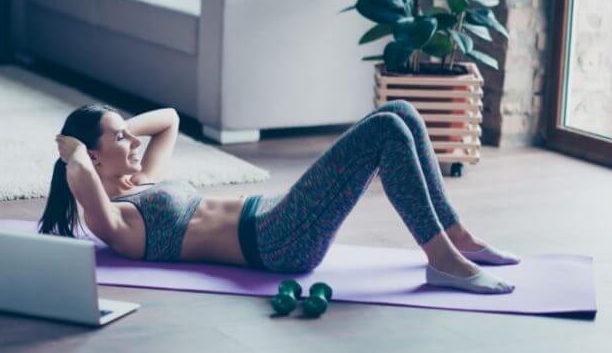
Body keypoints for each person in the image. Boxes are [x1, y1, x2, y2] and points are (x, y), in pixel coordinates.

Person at [39, 101, 520, 294]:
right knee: (386, 131)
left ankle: (458, 237)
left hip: (274, 211)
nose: (134, 142)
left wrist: (118, 130)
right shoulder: (116, 220)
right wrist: (79, 148)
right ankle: (441, 259)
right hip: (274, 242)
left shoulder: (143, 180)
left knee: (401, 112)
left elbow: (168, 119)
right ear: (95, 159)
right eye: (122, 140)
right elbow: (78, 171)